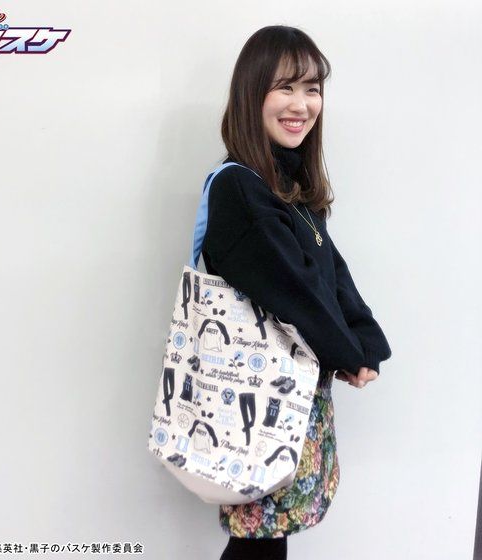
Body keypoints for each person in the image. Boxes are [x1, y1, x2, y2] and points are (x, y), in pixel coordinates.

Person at [200, 25, 392, 560]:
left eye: (312, 89)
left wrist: (364, 344)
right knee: (259, 542)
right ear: (251, 92)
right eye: (285, 87)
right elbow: (295, 290)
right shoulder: (240, 187)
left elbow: (331, 273)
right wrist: (348, 353)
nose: (301, 104)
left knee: (265, 539)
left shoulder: (288, 188)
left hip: (287, 393)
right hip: (255, 399)